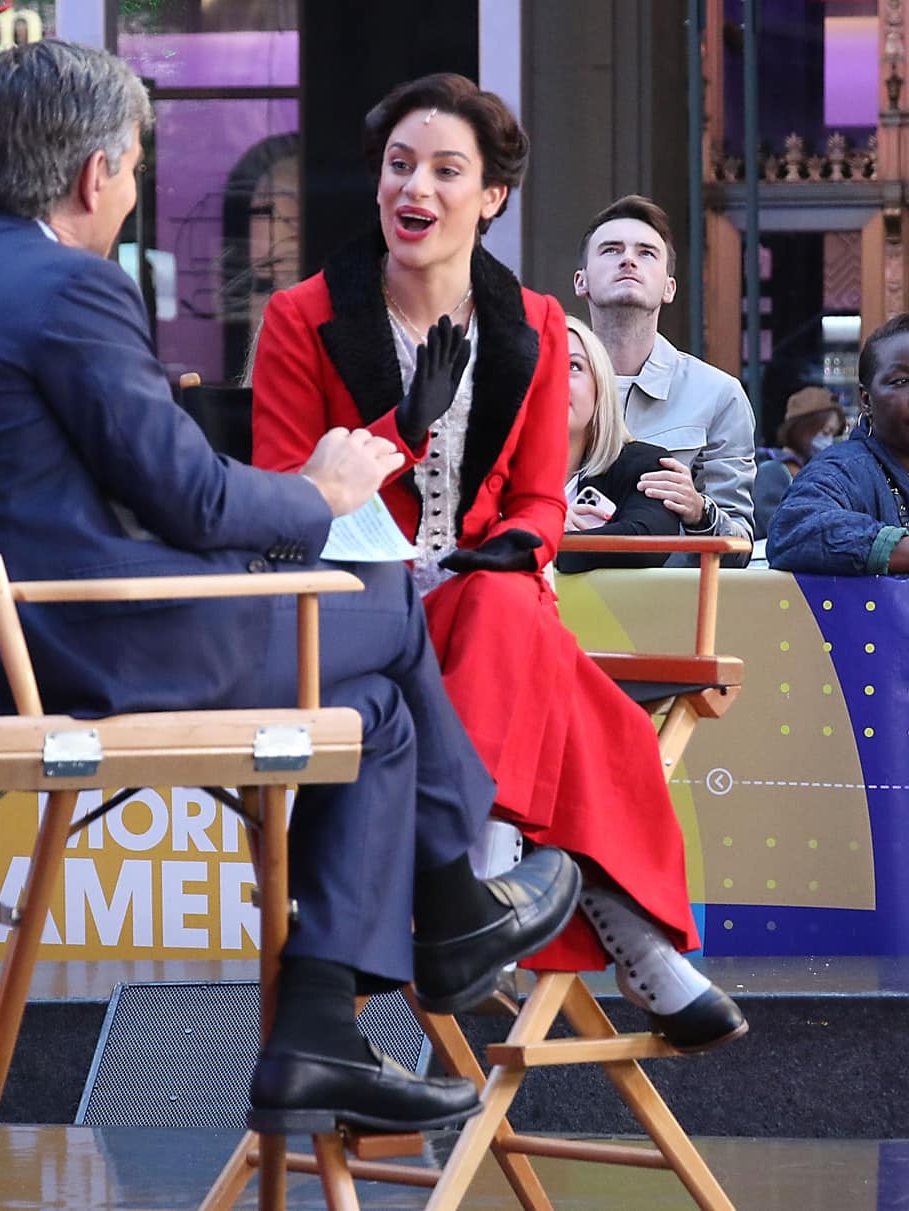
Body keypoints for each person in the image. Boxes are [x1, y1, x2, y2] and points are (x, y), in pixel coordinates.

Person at [0, 40, 581, 1139]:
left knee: (370, 709)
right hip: (79, 648)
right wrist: (323, 489)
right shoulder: (66, 286)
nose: (134, 193)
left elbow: (54, 480)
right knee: (377, 597)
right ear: (95, 172)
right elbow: (191, 499)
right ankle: (447, 908)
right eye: (135, 167)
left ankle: (330, 1019)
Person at [250, 72, 746, 1052]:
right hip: (349, 610)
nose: (415, 190)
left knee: (504, 601)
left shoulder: (534, 323)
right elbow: (280, 501)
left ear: (492, 196)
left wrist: (522, 543)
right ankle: (610, 930)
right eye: (400, 167)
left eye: (445, 169)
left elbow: (538, 499)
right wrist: (401, 428)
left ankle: (482, 879)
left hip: (487, 606)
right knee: (580, 693)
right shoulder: (302, 317)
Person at [575, 195, 756, 560]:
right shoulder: (538, 383)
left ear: (669, 288)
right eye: (611, 250)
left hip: (672, 608)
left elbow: (740, 549)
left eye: (646, 253)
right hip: (556, 601)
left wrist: (697, 510)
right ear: (582, 281)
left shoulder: (719, 394)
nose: (628, 259)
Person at [767, 315, 909, 574]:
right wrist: (894, 549)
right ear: (866, 400)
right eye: (902, 381)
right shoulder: (844, 469)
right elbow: (793, 531)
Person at [556, 314, 679, 573]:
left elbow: (647, 543)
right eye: (541, 364)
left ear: (600, 387)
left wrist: (545, 539)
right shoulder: (481, 470)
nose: (555, 378)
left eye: (573, 366)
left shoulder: (644, 465)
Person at [752, 384, 846, 540]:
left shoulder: (811, 469)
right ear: (803, 428)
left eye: (832, 434)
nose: (828, 441)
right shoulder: (773, 470)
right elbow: (777, 528)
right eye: (825, 432)